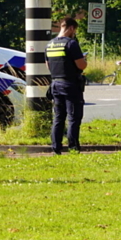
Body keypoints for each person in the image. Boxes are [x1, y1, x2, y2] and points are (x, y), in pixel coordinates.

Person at [46, 17, 88, 154]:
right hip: (70, 84)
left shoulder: (50, 45)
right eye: (74, 30)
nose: (74, 33)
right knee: (74, 117)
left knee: (58, 118)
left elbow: (49, 66)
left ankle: (56, 148)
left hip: (55, 84)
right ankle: (73, 147)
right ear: (71, 28)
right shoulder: (71, 44)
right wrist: (84, 60)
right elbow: (81, 65)